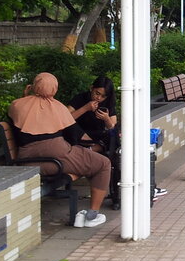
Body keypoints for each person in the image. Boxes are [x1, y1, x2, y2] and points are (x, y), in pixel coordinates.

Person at [9, 72, 111, 227]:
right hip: (57, 158)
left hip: (27, 161)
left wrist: (25, 96)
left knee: (86, 160)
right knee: (103, 163)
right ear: (54, 88)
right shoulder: (58, 107)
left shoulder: (17, 105)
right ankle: (92, 215)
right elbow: (74, 135)